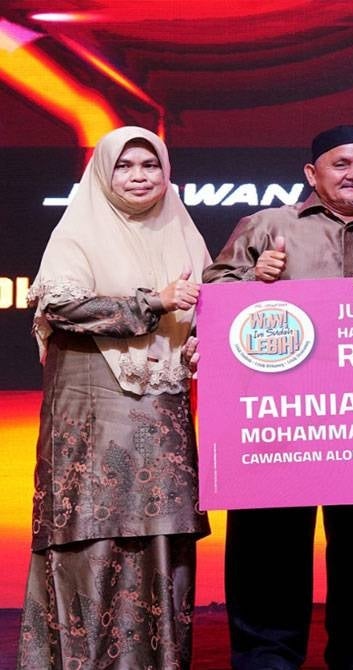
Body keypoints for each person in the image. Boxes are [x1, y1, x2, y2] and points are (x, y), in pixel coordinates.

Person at [204, 125, 353, 670]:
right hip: (277, 412)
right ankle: (266, 652)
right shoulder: (267, 226)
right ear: (312, 174)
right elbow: (211, 300)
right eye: (341, 164)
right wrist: (252, 281)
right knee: (268, 540)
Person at [17, 126, 211, 669]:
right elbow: (61, 308)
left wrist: (200, 343)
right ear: (104, 172)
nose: (140, 176)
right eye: (125, 166)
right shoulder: (79, 231)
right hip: (91, 410)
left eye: (149, 165)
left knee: (162, 538)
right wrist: (154, 301)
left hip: (163, 412)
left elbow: (207, 312)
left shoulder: (183, 230)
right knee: (90, 534)